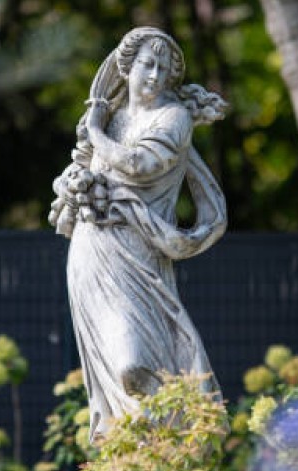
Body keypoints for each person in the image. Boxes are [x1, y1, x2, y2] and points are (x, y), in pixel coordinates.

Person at [49, 27, 229, 439]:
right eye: (147, 64)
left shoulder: (174, 118)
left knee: (135, 362)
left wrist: (95, 131)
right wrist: (71, 181)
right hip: (91, 252)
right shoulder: (112, 117)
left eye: (163, 69)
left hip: (138, 253)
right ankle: (132, 461)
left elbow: (140, 164)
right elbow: (82, 174)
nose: (154, 75)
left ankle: (174, 448)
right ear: (126, 67)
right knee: (112, 372)